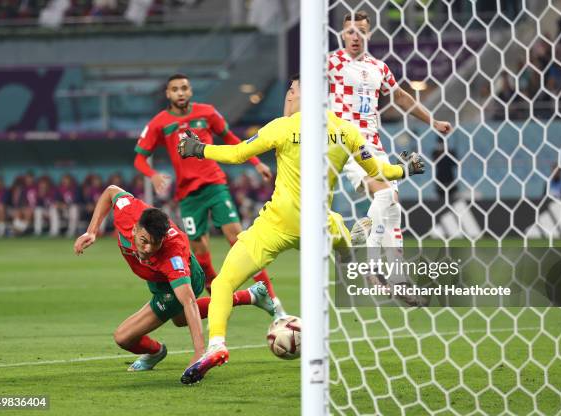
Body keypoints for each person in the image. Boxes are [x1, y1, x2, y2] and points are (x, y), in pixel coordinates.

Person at [176, 75, 426, 383]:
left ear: (299, 95)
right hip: (319, 225)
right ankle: (362, 259)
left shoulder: (283, 127)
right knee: (344, 245)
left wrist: (199, 149)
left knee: (225, 283)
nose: (287, 97)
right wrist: (407, 169)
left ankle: (216, 345)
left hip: (277, 223)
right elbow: (380, 171)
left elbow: (238, 153)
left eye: (291, 91)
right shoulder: (346, 131)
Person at [73, 185, 277, 373]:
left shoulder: (172, 255)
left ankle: (155, 352)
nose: (148, 249)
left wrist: (199, 353)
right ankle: (250, 296)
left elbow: (188, 302)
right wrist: (92, 231)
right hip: (156, 278)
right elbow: (110, 192)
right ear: (134, 229)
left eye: (155, 244)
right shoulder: (128, 211)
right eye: (144, 241)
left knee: (123, 337)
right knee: (179, 320)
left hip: (183, 276)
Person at [328, 10, 452, 300]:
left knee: (393, 206)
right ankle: (372, 269)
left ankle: (398, 279)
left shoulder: (378, 68)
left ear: (369, 34)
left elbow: (401, 97)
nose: (355, 36)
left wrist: (432, 121)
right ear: (342, 34)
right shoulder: (331, 63)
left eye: (361, 31)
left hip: (375, 144)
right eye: (350, 31)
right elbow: (299, 88)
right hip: (346, 143)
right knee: (385, 196)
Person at [134, 74, 283, 313]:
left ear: (190, 91)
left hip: (215, 184)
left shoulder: (207, 112)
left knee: (238, 237)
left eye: (184, 88)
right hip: (188, 196)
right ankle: (221, 301)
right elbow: (139, 158)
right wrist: (152, 175)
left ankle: (273, 301)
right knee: (200, 253)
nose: (180, 93)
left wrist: (256, 162)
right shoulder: (159, 122)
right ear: (168, 94)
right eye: (175, 89)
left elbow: (232, 139)